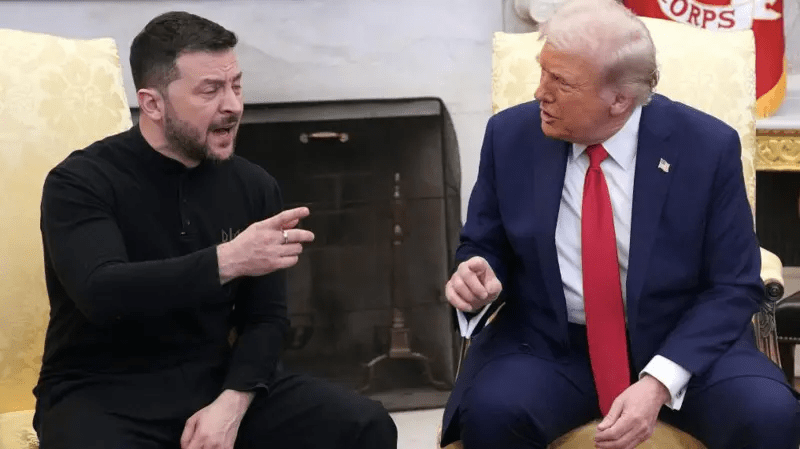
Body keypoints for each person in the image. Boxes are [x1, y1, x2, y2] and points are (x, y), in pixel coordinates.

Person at [440, 1, 800, 448]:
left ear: (619, 100)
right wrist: (477, 275)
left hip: (682, 342)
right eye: (542, 72)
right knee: (492, 412)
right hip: (552, 346)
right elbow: (484, 244)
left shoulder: (706, 148)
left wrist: (660, 380)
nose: (539, 93)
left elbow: (734, 284)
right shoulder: (510, 136)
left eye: (561, 82)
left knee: (769, 415)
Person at [33, 11, 397, 449]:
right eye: (211, 90)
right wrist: (229, 260)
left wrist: (232, 403)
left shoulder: (254, 186)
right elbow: (102, 292)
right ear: (152, 104)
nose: (233, 106)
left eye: (236, 86)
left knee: (365, 424)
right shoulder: (80, 182)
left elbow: (265, 319)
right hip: (101, 393)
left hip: (214, 384)